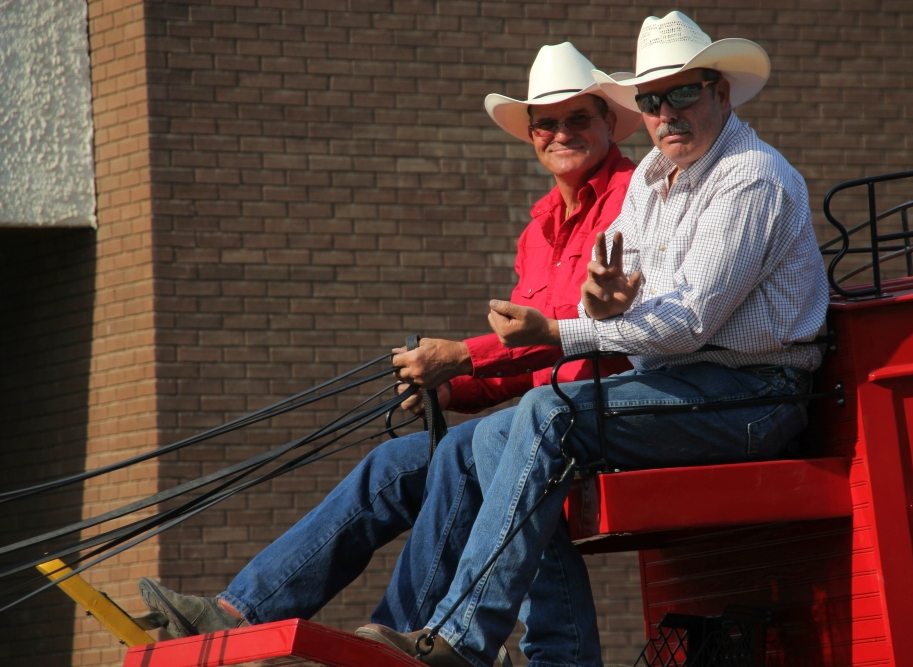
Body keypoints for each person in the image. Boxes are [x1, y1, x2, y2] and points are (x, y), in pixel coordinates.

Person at [137, 42, 641, 659]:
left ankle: (396, 639)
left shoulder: (634, 199)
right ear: (531, 135)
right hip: (543, 417)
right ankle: (237, 612)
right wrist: (451, 387)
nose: (562, 133)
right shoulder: (537, 227)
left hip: (608, 416)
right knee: (395, 465)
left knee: (471, 451)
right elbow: (528, 358)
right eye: (547, 122)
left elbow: (566, 329)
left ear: (610, 122)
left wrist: (462, 355)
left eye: (578, 119)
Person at [359, 10, 830, 667]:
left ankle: (463, 637)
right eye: (650, 99)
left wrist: (565, 327)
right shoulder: (650, 180)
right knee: (501, 433)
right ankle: (561, 655)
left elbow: (687, 320)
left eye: (683, 93)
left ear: (721, 92)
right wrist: (604, 303)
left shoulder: (749, 178)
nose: (666, 112)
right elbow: (623, 296)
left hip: (754, 398)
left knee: (547, 413)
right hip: (681, 383)